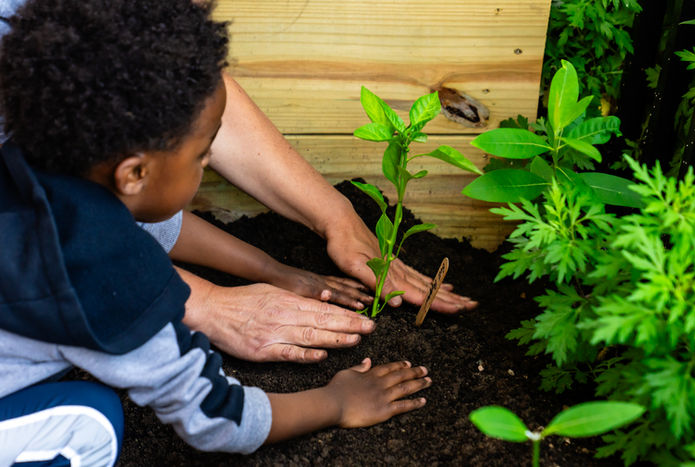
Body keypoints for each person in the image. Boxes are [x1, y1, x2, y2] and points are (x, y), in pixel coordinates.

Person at [0, 0, 432, 463]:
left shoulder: (30, 170)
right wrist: (338, 402)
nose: (209, 163)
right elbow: (215, 416)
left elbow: (142, 222)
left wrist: (272, 268)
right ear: (133, 173)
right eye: (202, 154)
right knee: (92, 423)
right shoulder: (107, 280)